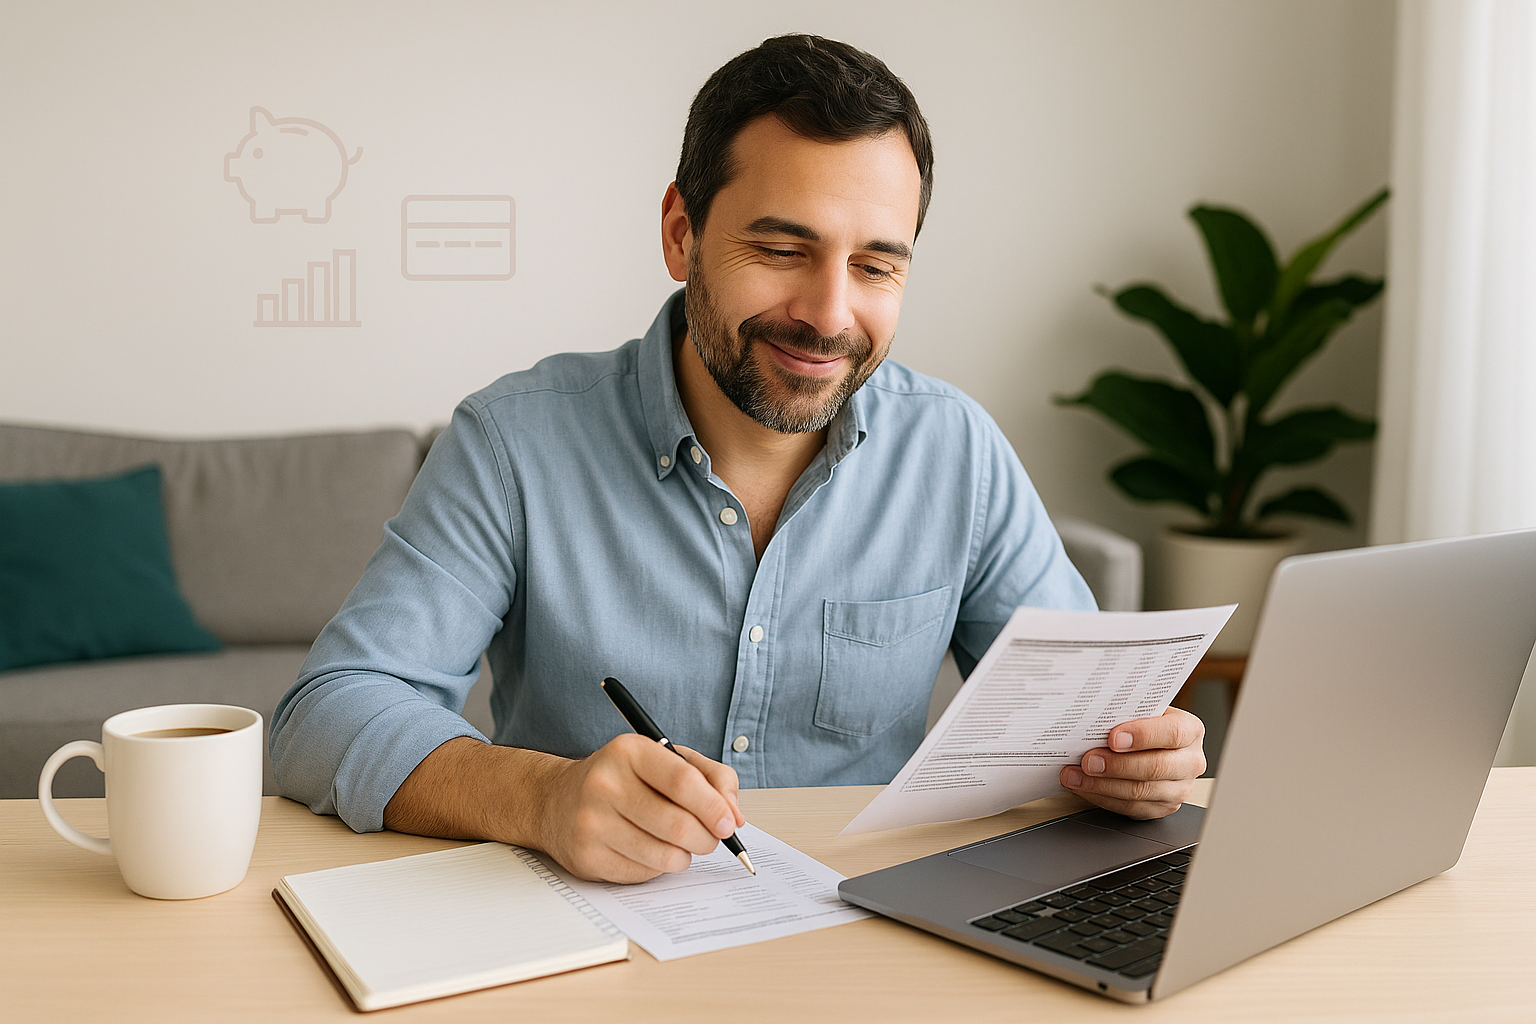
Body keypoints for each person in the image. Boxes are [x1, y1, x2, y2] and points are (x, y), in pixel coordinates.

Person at [271, 34, 1206, 884]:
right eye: (781, 247)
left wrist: (1136, 757)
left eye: (876, 266)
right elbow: (329, 713)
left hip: (868, 947)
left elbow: (1089, 716)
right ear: (682, 233)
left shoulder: (957, 451)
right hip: (584, 951)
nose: (830, 314)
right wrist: (540, 798)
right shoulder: (515, 441)